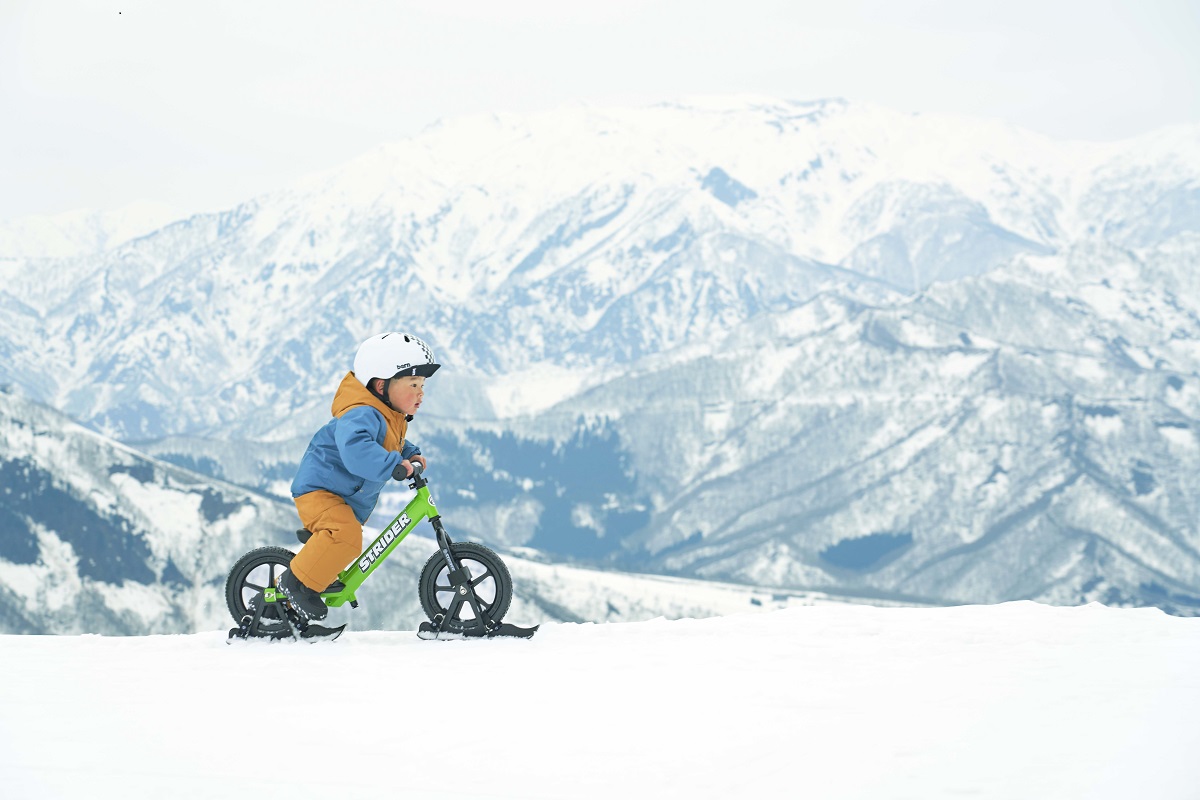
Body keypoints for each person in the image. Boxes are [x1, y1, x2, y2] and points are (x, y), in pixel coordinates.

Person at [278, 332, 440, 621]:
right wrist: (394, 465)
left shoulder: (388, 414)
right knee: (346, 537)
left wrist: (410, 454)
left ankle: (299, 596)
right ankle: (295, 585)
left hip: (343, 496)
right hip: (321, 492)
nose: (421, 393)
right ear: (381, 385)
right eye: (413, 384)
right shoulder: (361, 414)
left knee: (343, 545)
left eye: (423, 385)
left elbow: (391, 443)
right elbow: (357, 450)